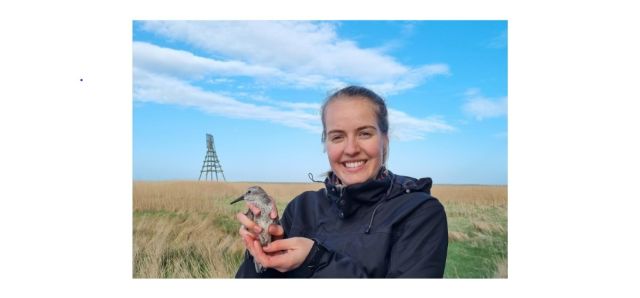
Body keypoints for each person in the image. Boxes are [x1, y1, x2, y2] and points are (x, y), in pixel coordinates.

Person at [235, 85, 448, 278]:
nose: (351, 149)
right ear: (325, 143)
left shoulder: (419, 213)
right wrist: (262, 251)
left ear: (385, 139)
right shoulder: (302, 208)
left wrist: (316, 261)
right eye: (337, 137)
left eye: (364, 133)